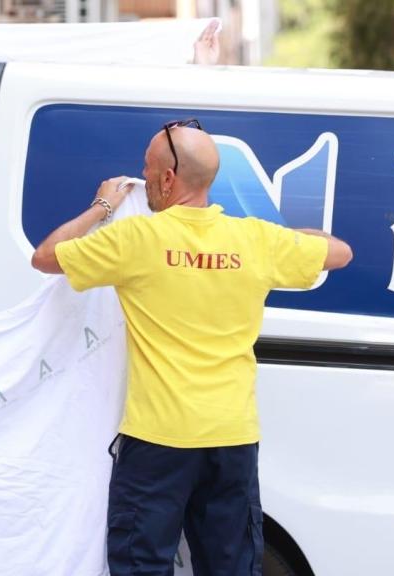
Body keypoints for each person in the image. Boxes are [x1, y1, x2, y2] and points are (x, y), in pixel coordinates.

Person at [31, 121, 352, 575]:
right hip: (231, 438)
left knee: (142, 564)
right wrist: (287, 239)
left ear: (166, 180)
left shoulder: (136, 239)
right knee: (232, 567)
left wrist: (103, 204)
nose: (143, 181)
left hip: (158, 440)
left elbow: (46, 256)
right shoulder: (254, 240)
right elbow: (340, 253)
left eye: (147, 171)